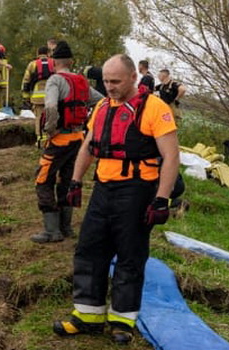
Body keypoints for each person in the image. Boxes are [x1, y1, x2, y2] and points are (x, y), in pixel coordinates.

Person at [53, 54, 180, 345]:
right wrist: (75, 181)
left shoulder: (154, 109)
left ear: (133, 77)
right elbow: (88, 146)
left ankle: (122, 320)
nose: (109, 87)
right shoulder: (101, 106)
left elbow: (172, 156)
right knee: (89, 249)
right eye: (106, 81)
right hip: (103, 189)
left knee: (130, 256)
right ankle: (87, 315)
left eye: (115, 81)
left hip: (137, 191)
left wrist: (161, 200)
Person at [30, 41, 104, 244]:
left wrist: (50, 130)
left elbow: (51, 108)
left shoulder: (54, 80)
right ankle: (66, 228)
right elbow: (101, 101)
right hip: (78, 139)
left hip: (60, 139)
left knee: (43, 180)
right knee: (67, 180)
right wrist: (88, 122)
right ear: (71, 61)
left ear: (53, 62)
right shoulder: (81, 81)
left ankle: (51, 231)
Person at [21, 46, 55, 142]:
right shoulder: (54, 63)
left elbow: (26, 81)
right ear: (48, 54)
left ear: (38, 54)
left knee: (39, 118)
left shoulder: (32, 65)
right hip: (52, 96)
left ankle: (41, 139)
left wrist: (26, 97)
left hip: (37, 97)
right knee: (52, 116)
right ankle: (51, 138)